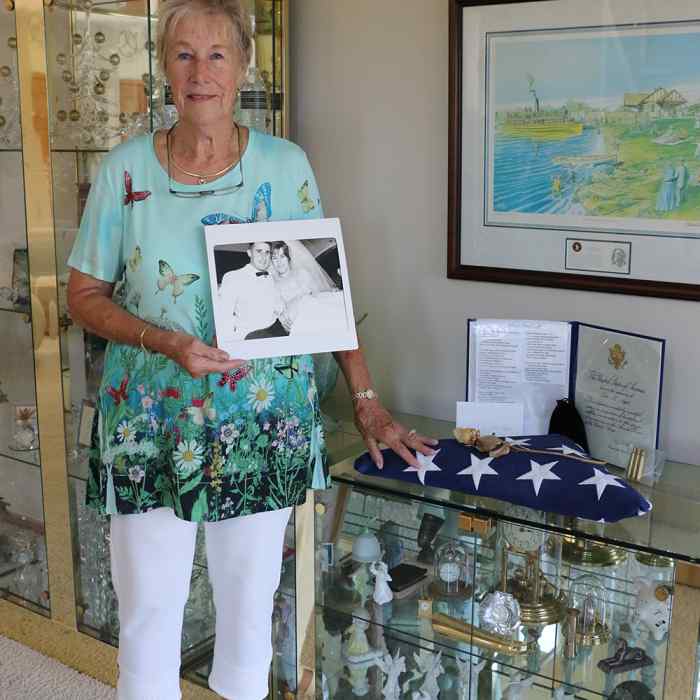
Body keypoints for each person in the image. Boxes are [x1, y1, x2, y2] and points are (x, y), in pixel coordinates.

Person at [65, 1, 437, 699]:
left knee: (246, 617)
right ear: (164, 68)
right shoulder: (123, 173)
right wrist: (163, 339)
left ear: (242, 67)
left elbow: (323, 299)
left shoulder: (284, 164)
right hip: (152, 427)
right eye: (183, 54)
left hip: (258, 428)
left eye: (215, 55)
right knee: (148, 616)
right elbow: (82, 295)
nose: (199, 72)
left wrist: (365, 399)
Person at [219, 241, 289, 339]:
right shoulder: (233, 277)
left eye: (267, 252)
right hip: (251, 335)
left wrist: (284, 317)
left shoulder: (270, 276)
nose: (263, 257)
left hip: (277, 329)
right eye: (259, 251)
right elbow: (224, 316)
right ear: (249, 253)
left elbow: (278, 305)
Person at [270, 240, 342, 334]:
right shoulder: (274, 285)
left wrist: (330, 292)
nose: (279, 262)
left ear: (288, 258)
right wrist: (282, 319)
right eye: (275, 258)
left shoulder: (302, 273)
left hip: (316, 311)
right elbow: (279, 311)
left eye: (282, 256)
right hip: (298, 322)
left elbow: (317, 293)